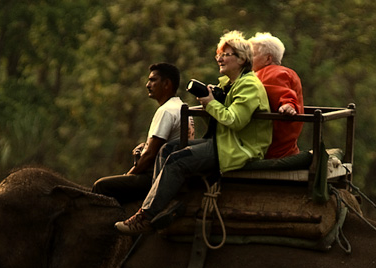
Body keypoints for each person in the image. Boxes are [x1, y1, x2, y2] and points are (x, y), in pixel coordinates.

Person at [115, 31, 272, 235]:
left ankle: (145, 216)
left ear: (242, 59)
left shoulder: (249, 85)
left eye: (226, 54)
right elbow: (221, 120)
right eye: (219, 54)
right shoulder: (230, 84)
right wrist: (210, 104)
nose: (219, 58)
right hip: (224, 140)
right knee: (167, 149)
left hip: (239, 147)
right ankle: (167, 204)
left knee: (176, 160)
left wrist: (212, 104)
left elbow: (235, 121)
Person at [93, 63, 191, 203]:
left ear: (167, 84)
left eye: (153, 80)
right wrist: (145, 146)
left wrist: (129, 174)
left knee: (101, 186)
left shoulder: (166, 111)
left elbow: (149, 155)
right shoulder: (180, 107)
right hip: (173, 173)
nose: (147, 84)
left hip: (158, 176)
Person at [249, 32, 304, 159]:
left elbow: (284, 95)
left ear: (268, 59)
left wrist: (288, 105)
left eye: (252, 55)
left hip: (271, 150)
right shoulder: (286, 72)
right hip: (286, 148)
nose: (247, 59)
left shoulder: (272, 73)